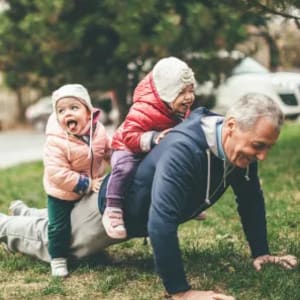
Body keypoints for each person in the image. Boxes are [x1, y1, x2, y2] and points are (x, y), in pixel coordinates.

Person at [0, 94, 298, 300]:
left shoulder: (236, 148)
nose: (263, 155)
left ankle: (30, 212)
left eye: (268, 147)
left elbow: (250, 199)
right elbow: (161, 222)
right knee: (52, 242)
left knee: (56, 223)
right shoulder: (186, 149)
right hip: (106, 212)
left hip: (130, 213)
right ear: (231, 126)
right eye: (259, 145)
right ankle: (5, 224)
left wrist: (261, 251)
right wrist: (180, 291)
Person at [103, 56, 196, 239]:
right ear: (166, 93)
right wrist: (153, 138)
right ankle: (112, 208)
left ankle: (184, 201)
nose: (189, 97)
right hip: (127, 146)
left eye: (191, 90)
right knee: (126, 167)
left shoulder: (178, 109)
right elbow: (129, 136)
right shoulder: (143, 108)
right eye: (181, 92)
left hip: (153, 147)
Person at [39, 83, 111, 277]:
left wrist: (117, 160)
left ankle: (93, 250)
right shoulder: (56, 140)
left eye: (74, 107)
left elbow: (108, 151)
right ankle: (58, 258)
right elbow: (56, 172)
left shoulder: (99, 131)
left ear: (88, 112)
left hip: (91, 184)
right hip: (61, 191)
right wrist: (87, 184)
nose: (67, 113)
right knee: (59, 226)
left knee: (89, 222)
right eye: (61, 110)